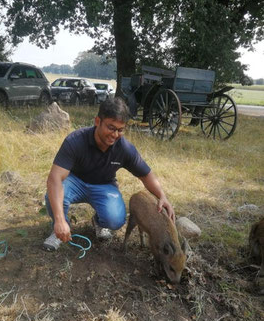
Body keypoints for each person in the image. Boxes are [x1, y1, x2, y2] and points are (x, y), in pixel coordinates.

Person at [43, 97, 175, 251]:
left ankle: (98, 221)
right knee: (54, 194)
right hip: (75, 182)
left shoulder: (124, 148)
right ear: (97, 121)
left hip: (104, 186)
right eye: (111, 127)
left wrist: (162, 196)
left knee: (116, 220)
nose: (115, 134)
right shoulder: (75, 141)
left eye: (120, 130)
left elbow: (146, 175)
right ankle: (59, 228)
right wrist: (59, 220)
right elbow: (54, 179)